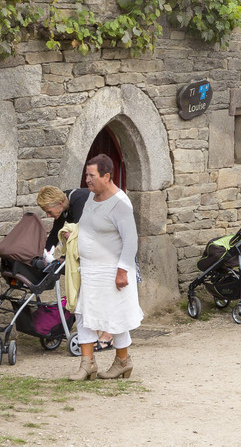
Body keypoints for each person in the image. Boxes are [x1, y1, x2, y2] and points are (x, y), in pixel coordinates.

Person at [69, 154, 141, 380]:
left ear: (106, 176)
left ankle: (123, 361)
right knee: (84, 313)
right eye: (86, 175)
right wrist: (72, 233)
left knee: (115, 316)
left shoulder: (120, 204)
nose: (87, 180)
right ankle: (87, 364)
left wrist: (122, 271)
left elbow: (131, 240)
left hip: (112, 270)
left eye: (91, 176)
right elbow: (87, 225)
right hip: (89, 269)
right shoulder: (92, 197)